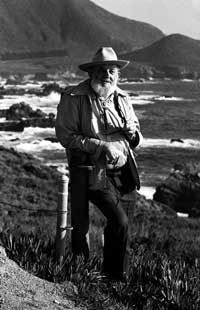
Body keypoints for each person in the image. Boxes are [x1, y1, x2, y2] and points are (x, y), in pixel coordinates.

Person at [55, 47, 143, 281]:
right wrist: (100, 146)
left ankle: (114, 277)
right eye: (102, 69)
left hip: (124, 169)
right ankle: (82, 275)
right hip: (94, 170)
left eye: (112, 70)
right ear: (92, 72)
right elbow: (65, 136)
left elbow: (136, 137)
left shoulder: (123, 98)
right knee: (116, 220)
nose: (107, 74)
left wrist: (134, 135)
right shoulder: (74, 97)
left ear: (118, 74)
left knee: (122, 227)